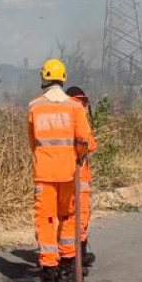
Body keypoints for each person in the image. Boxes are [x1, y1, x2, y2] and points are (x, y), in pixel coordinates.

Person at [27, 58, 94, 282]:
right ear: (63, 79)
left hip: (44, 175)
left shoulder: (34, 107)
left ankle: (49, 279)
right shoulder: (75, 107)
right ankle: (68, 268)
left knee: (46, 222)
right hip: (69, 174)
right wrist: (76, 157)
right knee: (68, 218)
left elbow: (32, 142)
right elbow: (84, 140)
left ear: (44, 79)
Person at [65, 85, 97, 272]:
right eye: (80, 102)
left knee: (72, 216)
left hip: (67, 176)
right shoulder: (77, 120)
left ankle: (75, 254)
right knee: (79, 216)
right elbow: (89, 145)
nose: (83, 106)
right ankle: (77, 256)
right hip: (77, 177)